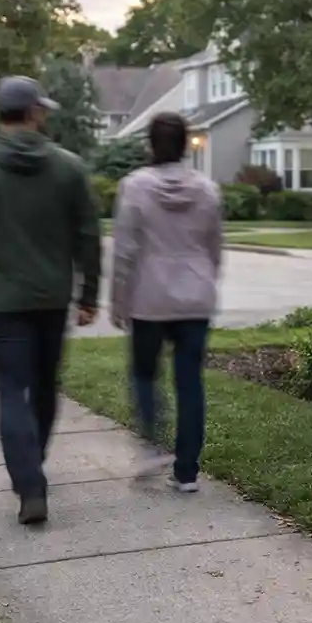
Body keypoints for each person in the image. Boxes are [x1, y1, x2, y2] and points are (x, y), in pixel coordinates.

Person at [0, 75, 102, 525]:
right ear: (33, 112)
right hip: (52, 298)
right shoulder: (68, 167)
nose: (46, 115)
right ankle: (34, 464)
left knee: (11, 389)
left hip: (2, 300)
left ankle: (29, 484)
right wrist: (88, 293)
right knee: (46, 386)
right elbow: (88, 236)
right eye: (43, 109)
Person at [110, 111, 223, 492]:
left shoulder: (134, 187)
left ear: (151, 145)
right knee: (190, 383)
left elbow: (124, 250)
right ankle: (186, 471)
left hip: (148, 298)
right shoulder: (207, 189)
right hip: (195, 297)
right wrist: (209, 282)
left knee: (144, 374)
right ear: (185, 144)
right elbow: (214, 247)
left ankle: (152, 443)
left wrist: (117, 300)